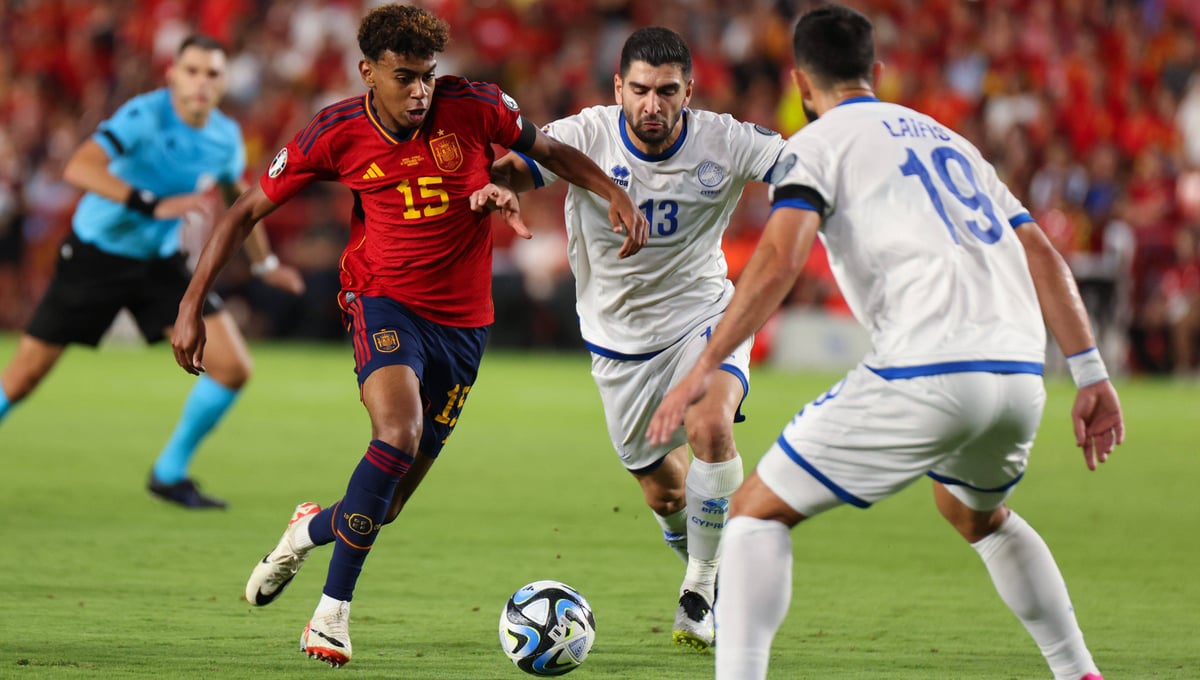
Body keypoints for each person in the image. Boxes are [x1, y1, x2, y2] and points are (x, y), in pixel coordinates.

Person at [648, 6, 1124, 680]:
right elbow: (1042, 252)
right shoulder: (952, 141)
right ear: (876, 71)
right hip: (1021, 374)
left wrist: (704, 363)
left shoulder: (815, 145)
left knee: (752, 516)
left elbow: (780, 259)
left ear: (800, 83)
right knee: (973, 513)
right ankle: (1080, 671)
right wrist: (1092, 373)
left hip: (928, 368)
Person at [169, 4, 647, 668]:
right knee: (397, 435)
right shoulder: (334, 132)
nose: (420, 91)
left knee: (385, 505)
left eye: (427, 75)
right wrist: (192, 303)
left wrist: (612, 192)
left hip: (466, 325)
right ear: (367, 71)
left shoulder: (475, 105)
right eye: (404, 77)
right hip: (382, 301)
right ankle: (331, 614)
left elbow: (549, 150)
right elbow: (244, 211)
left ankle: (304, 532)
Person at [490, 26, 785, 652]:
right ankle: (708, 561)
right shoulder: (586, 134)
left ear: (689, 92)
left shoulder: (724, 141)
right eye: (642, 90)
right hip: (616, 342)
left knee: (710, 426)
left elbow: (801, 166)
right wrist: (495, 185)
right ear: (619, 87)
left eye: (668, 91)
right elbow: (517, 168)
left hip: (702, 317)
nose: (653, 104)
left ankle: (700, 589)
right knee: (665, 492)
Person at [0, 35, 304, 509]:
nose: (201, 82)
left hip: (158, 263)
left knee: (232, 368)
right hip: (95, 257)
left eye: (212, 73)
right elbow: (79, 168)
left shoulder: (224, 136)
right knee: (23, 377)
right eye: (192, 71)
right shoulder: (144, 115)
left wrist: (265, 265)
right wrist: (152, 204)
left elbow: (241, 203)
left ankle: (169, 473)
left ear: (224, 82)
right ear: (172, 76)